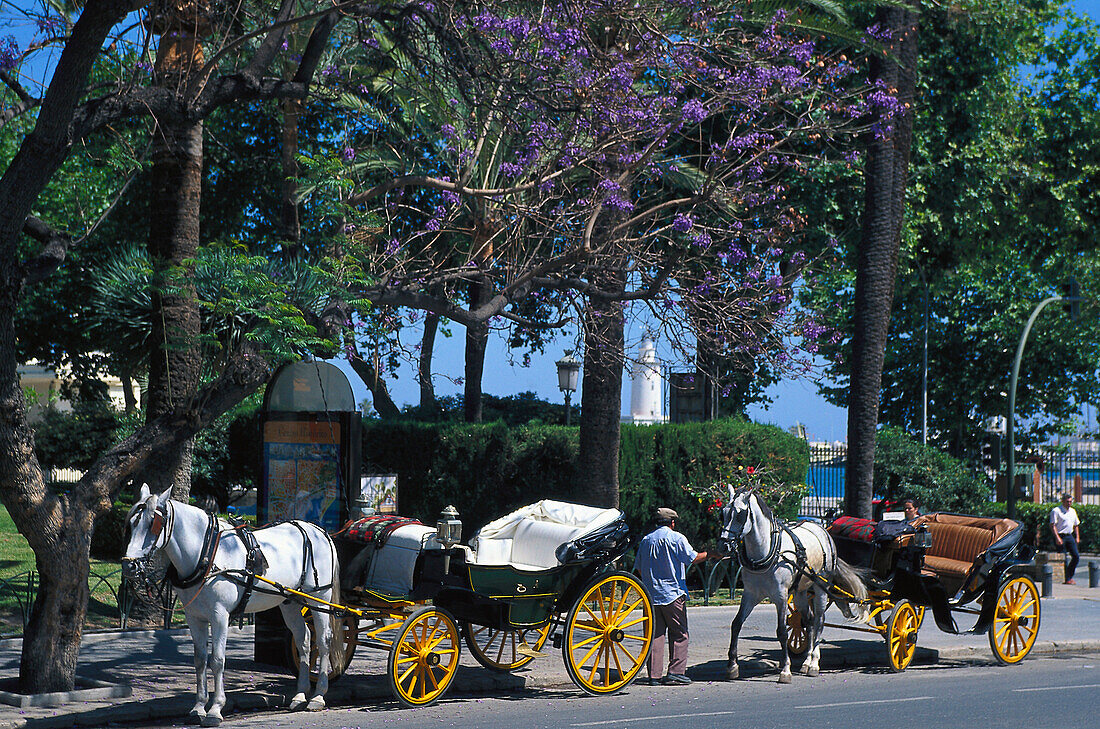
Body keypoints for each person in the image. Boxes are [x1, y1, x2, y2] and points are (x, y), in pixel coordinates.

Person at [633, 507, 707, 685]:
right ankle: (676, 672)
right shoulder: (677, 538)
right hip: (672, 594)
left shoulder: (646, 540)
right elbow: (692, 558)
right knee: (680, 634)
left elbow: (640, 568)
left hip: (650, 596)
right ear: (672, 523)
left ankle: (654, 676)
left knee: (655, 635)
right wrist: (709, 554)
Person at [1050, 493, 1081, 585]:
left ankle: (1070, 575)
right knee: (1063, 558)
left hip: (1069, 535)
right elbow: (1052, 525)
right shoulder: (1056, 511)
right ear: (1062, 501)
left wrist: (1077, 537)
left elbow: (1076, 525)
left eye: (1071, 501)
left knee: (1076, 556)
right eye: (1067, 501)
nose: (1069, 503)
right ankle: (1066, 578)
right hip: (1060, 535)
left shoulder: (1072, 511)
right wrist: (1057, 538)